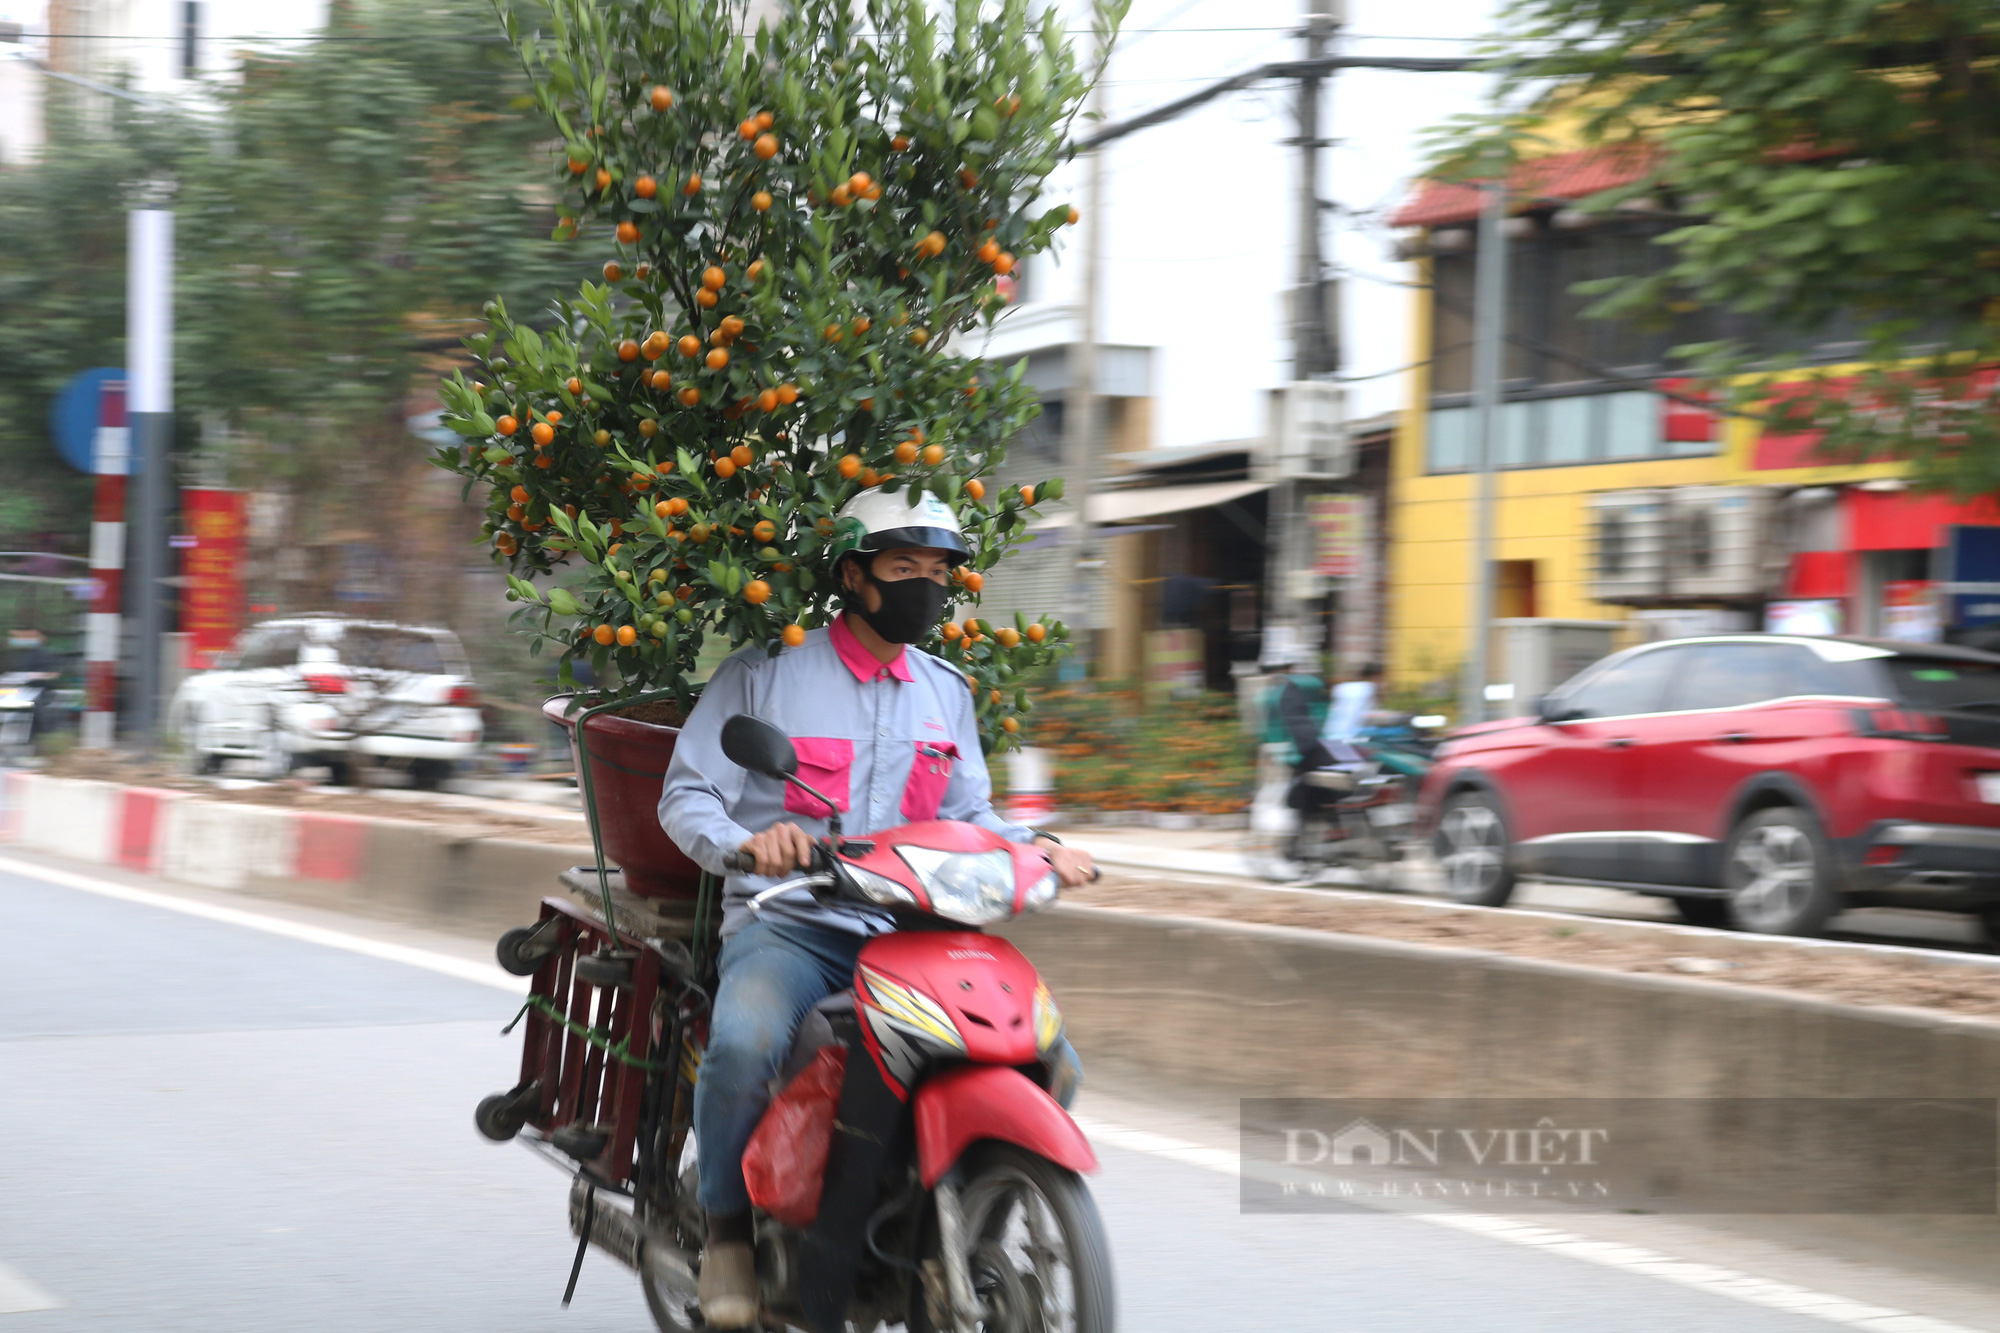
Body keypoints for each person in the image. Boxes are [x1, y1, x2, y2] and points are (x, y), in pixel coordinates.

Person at [657, 486, 1097, 1328]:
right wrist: (752, 843)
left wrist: (1037, 846)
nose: (924, 587)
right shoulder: (767, 677)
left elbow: (972, 814)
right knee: (745, 1043)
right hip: (793, 924)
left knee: (1054, 1058)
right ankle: (727, 1234)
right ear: (855, 577)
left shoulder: (945, 692)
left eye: (938, 572)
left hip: (909, 934)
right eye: (903, 568)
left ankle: (957, 1225)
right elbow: (689, 797)